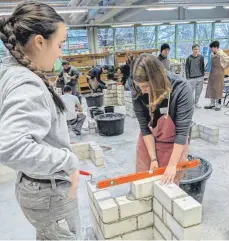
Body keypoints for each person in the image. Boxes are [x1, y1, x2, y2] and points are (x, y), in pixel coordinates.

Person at [0, 2, 82, 240]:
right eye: (59, 44)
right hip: (49, 192)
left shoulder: (9, 71)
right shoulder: (28, 84)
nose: (60, 53)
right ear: (39, 42)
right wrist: (66, 159)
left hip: (33, 186)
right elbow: (9, 145)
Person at [132, 54, 193, 185]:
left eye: (146, 87)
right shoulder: (138, 91)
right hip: (149, 139)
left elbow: (182, 133)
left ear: (157, 80)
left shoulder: (181, 89)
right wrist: (153, 159)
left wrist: (172, 165)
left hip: (175, 142)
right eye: (139, 86)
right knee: (143, 182)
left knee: (169, 184)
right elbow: (144, 128)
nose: (142, 91)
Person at [204, 40, 229, 111]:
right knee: (211, 88)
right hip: (212, 73)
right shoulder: (212, 54)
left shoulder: (221, 54)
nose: (211, 49)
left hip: (219, 73)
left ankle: (218, 104)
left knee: (218, 88)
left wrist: (224, 67)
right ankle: (212, 103)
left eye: (212, 48)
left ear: (216, 47)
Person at [185, 44, 205, 108]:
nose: (196, 50)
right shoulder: (189, 58)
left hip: (200, 77)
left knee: (198, 92)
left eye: (198, 49)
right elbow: (187, 68)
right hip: (191, 78)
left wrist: (203, 75)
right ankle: (191, 104)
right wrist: (187, 77)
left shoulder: (201, 57)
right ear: (192, 50)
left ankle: (196, 103)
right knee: (191, 92)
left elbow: (202, 66)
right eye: (195, 49)